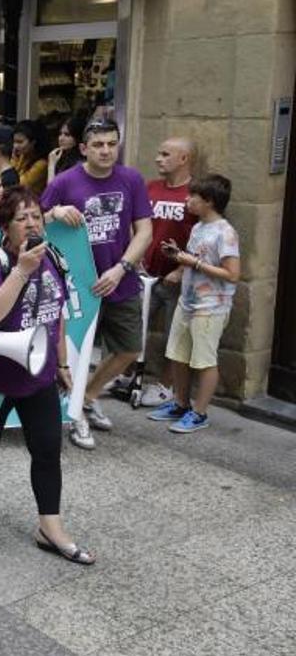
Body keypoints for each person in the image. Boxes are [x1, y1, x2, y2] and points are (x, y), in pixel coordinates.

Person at [0, 187, 95, 566]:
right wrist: (23, 270)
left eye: (36, 217)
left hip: (37, 374)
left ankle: (50, 528)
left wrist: (60, 364)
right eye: (21, 218)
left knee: (47, 448)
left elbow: (54, 314)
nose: (31, 224)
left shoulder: (51, 257)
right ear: (4, 227)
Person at [43, 118, 153, 450]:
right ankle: (73, 414)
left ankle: (88, 395)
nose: (106, 150)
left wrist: (122, 268)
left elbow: (145, 231)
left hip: (119, 278)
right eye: (98, 144)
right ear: (84, 149)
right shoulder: (64, 182)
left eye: (111, 143)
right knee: (73, 353)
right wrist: (55, 213)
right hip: (77, 285)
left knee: (130, 348)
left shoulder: (131, 179)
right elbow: (33, 223)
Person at [146, 175, 239, 433]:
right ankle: (180, 403)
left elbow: (232, 273)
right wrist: (179, 255)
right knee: (178, 354)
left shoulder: (225, 232)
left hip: (211, 307)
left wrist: (193, 263)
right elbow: (196, 258)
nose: (187, 200)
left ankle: (199, 413)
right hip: (188, 302)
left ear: (208, 201)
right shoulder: (198, 228)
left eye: (192, 197)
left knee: (204, 360)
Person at [138, 138, 198, 408]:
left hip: (177, 280)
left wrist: (183, 268)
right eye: (158, 153)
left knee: (175, 336)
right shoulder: (149, 188)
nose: (158, 159)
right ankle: (125, 375)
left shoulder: (196, 194)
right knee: (131, 328)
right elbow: (136, 225)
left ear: (183, 158)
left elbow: (207, 235)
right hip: (145, 274)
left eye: (165, 154)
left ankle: (166, 386)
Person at [12, 120, 50, 195]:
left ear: (33, 142)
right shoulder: (22, 156)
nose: (15, 146)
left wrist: (14, 159)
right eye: (14, 142)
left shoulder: (42, 164)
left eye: (20, 142)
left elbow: (17, 184)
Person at [48, 116, 87, 184]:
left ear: (77, 137)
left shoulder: (78, 165)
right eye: (60, 134)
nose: (61, 139)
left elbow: (52, 191)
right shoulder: (63, 157)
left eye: (67, 135)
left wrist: (51, 165)